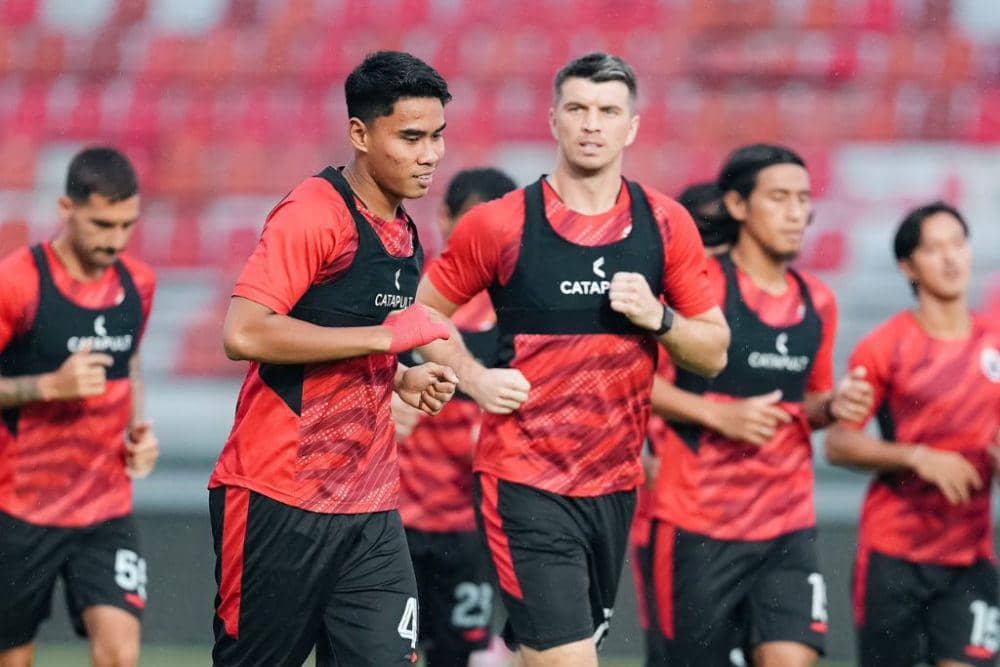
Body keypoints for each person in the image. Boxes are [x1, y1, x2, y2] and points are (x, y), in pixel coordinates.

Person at [415, 52, 730, 667]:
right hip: (524, 480)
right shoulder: (501, 224)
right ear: (553, 119)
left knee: (543, 653)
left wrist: (660, 318)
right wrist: (475, 379)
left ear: (631, 127)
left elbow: (714, 351)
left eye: (608, 111)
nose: (591, 124)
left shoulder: (666, 224)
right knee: (569, 659)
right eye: (578, 108)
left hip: (613, 484)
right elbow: (421, 314)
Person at [208, 51, 459, 667]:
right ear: (359, 134)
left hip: (370, 504)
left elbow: (341, 332)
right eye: (411, 138)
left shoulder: (403, 229)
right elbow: (244, 332)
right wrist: (384, 341)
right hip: (280, 497)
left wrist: (401, 378)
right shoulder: (315, 214)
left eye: (437, 137)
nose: (430, 155)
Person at [646, 144, 874, 667]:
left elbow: (808, 404)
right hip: (699, 524)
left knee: (793, 657)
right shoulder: (697, 287)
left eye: (803, 199)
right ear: (737, 205)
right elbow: (637, 384)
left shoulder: (818, 300)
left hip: (786, 525)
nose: (795, 213)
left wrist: (834, 406)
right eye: (779, 198)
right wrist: (718, 414)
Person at [0, 147, 159, 667]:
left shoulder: (138, 284)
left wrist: (138, 429)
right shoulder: (17, 283)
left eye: (127, 225)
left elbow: (130, 362)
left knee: (120, 654)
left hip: (104, 508)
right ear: (66, 208)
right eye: (102, 224)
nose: (115, 240)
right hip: (21, 509)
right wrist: (46, 387)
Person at [825, 202, 1000, 667]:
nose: (951, 257)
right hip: (894, 553)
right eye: (934, 248)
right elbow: (838, 442)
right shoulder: (886, 346)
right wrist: (919, 457)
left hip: (970, 554)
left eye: (958, 243)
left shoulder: (995, 341)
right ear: (908, 266)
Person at [393, 167, 517, 667]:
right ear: (444, 219)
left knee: (459, 656)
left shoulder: (518, 315)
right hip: (394, 520)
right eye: (472, 224)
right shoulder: (403, 298)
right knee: (386, 652)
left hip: (468, 529)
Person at [629, 180, 733, 666]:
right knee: (675, 652)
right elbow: (632, 380)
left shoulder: (739, 296)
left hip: (738, 507)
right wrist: (716, 415)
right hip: (670, 507)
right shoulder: (657, 301)